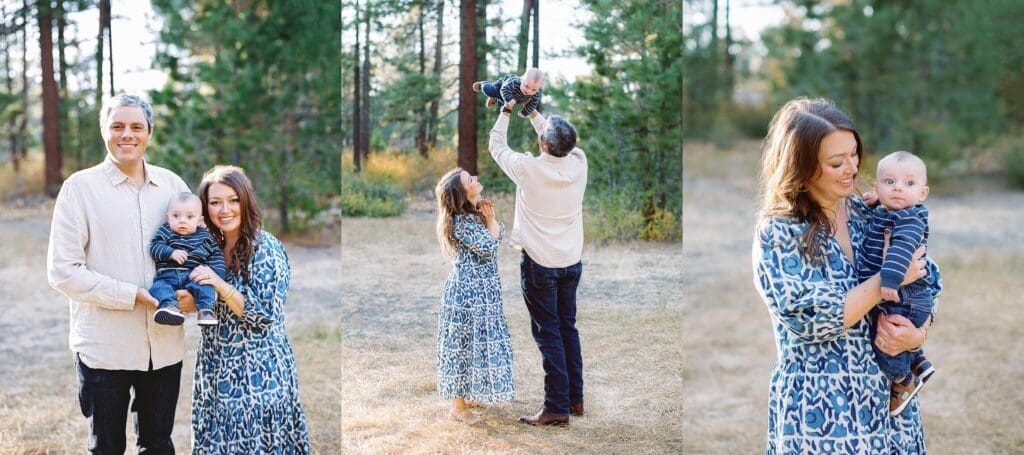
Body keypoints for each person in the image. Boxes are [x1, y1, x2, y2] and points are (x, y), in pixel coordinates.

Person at [753, 97, 939, 453]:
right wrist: (886, 278)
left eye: (854, 154)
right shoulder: (779, 232)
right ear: (802, 167)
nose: (852, 168)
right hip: (823, 415)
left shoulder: (869, 211)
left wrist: (916, 335)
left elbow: (926, 276)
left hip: (888, 409)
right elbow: (812, 319)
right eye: (836, 162)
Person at [47, 93, 190, 453]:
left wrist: (190, 288)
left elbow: (195, 247)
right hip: (104, 349)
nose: (127, 134)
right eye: (117, 126)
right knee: (106, 447)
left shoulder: (173, 186)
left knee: (158, 445)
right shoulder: (79, 189)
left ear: (150, 133)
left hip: (163, 346)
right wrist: (132, 295)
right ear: (103, 131)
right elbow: (63, 271)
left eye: (136, 127)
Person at [181, 165, 309, 452]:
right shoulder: (210, 247)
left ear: (246, 200)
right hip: (215, 370)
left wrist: (220, 285)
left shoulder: (265, 248)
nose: (224, 209)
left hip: (257, 372)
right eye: (215, 202)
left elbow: (265, 316)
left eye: (232, 200)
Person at [488, 104, 587, 426]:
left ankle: (556, 407)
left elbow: (496, 146)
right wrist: (534, 116)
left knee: (549, 334)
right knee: (567, 329)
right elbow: (556, 141)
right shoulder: (578, 163)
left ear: (543, 144)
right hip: (571, 261)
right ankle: (574, 400)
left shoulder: (527, 168)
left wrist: (505, 112)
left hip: (540, 264)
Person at [859, 151, 940, 416]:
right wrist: (874, 203)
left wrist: (891, 280)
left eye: (909, 184)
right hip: (905, 294)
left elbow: (901, 251)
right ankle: (919, 362)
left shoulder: (909, 220)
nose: (898, 189)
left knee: (883, 340)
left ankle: (902, 380)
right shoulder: (891, 211)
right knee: (894, 333)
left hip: (904, 294)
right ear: (877, 187)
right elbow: (882, 219)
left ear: (923, 193)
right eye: (889, 182)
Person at [433, 168, 516, 425]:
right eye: (470, 180)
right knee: (461, 347)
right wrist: (490, 222)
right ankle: (457, 407)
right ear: (461, 193)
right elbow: (489, 247)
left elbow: (499, 232)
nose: (476, 179)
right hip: (466, 294)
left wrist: (489, 219)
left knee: (477, 344)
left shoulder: (473, 215)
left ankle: (468, 396)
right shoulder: (459, 221)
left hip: (483, 291)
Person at [149, 192, 226, 326]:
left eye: (190, 217)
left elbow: (216, 256)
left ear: (199, 221)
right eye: (176, 216)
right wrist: (170, 252)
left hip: (193, 276)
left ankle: (205, 310)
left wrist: (216, 275)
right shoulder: (166, 231)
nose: (182, 220)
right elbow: (154, 247)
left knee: (206, 286)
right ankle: (169, 307)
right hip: (167, 276)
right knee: (158, 288)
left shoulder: (205, 237)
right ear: (168, 218)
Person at [473, 67, 544, 118]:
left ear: (538, 89)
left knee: (504, 104)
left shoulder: (535, 94)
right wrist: (509, 99)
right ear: (522, 79)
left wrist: (524, 112)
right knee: (490, 91)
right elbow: (504, 89)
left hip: (514, 97)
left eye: (534, 90)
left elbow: (533, 105)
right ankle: (483, 85)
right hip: (502, 86)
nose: (528, 91)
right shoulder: (514, 82)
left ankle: (495, 99)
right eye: (526, 86)